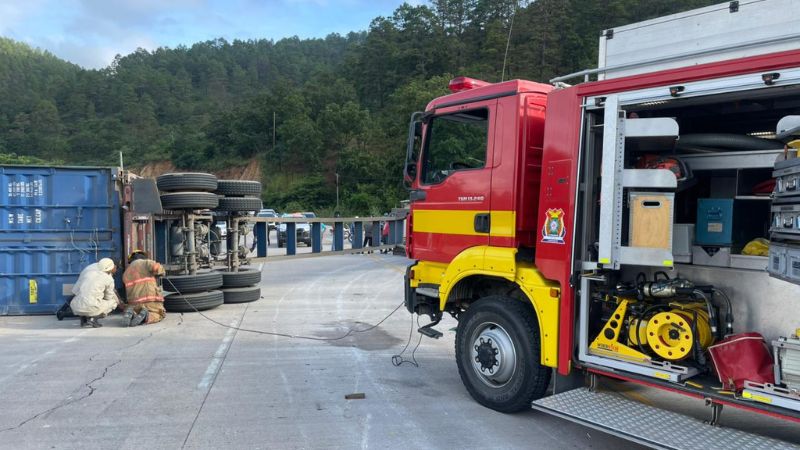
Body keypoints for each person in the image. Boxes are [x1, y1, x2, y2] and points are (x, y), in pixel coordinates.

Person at [70, 258, 120, 328]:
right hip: (91, 306)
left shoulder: (88, 272)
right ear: (112, 267)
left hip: (75, 306)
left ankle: (83, 320)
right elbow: (108, 297)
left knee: (85, 298)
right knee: (114, 302)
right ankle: (92, 319)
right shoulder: (109, 278)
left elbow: (75, 291)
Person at [122, 250, 166, 327]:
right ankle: (147, 316)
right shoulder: (146, 263)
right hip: (150, 301)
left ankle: (132, 313)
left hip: (134, 304)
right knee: (159, 314)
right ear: (143, 257)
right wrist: (161, 272)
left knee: (138, 312)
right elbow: (157, 268)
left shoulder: (126, 272)